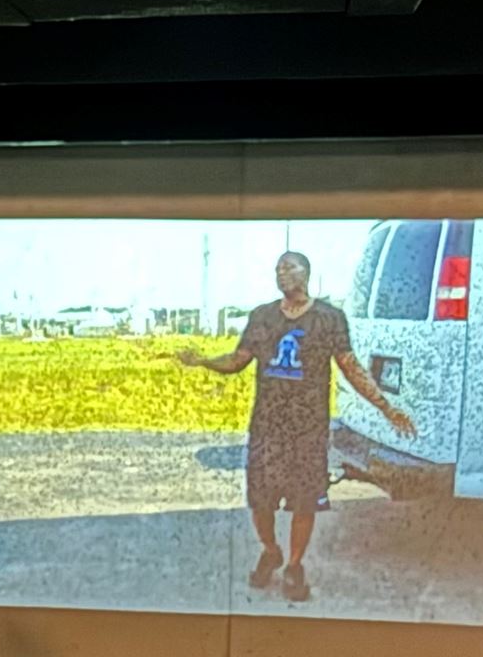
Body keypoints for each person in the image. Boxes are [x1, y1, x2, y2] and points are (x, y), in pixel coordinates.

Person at [173, 250, 415, 603]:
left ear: (307, 273)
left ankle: (294, 565)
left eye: (289, 267)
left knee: (305, 502)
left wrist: (386, 407)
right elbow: (237, 360)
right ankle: (270, 550)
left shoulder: (330, 318)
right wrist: (202, 362)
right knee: (261, 499)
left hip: (308, 429)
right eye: (277, 269)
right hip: (268, 426)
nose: (281, 274)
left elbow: (350, 367)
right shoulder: (262, 317)